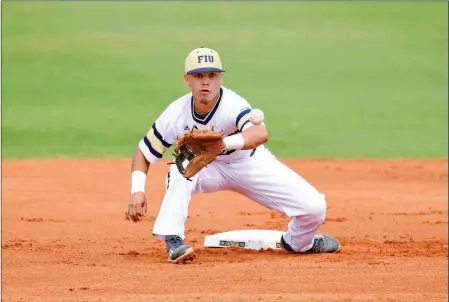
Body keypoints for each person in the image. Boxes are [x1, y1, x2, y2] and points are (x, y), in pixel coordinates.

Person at [126, 47, 340, 264]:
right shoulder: (176, 112)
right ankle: (173, 241)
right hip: (207, 169)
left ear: (220, 77)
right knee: (179, 168)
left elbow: (260, 133)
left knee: (314, 207)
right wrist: (137, 191)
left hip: (249, 163)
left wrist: (223, 144)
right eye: (199, 76)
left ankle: (298, 242)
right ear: (187, 80)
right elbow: (143, 151)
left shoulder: (233, 104)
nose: (206, 82)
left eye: (212, 75)